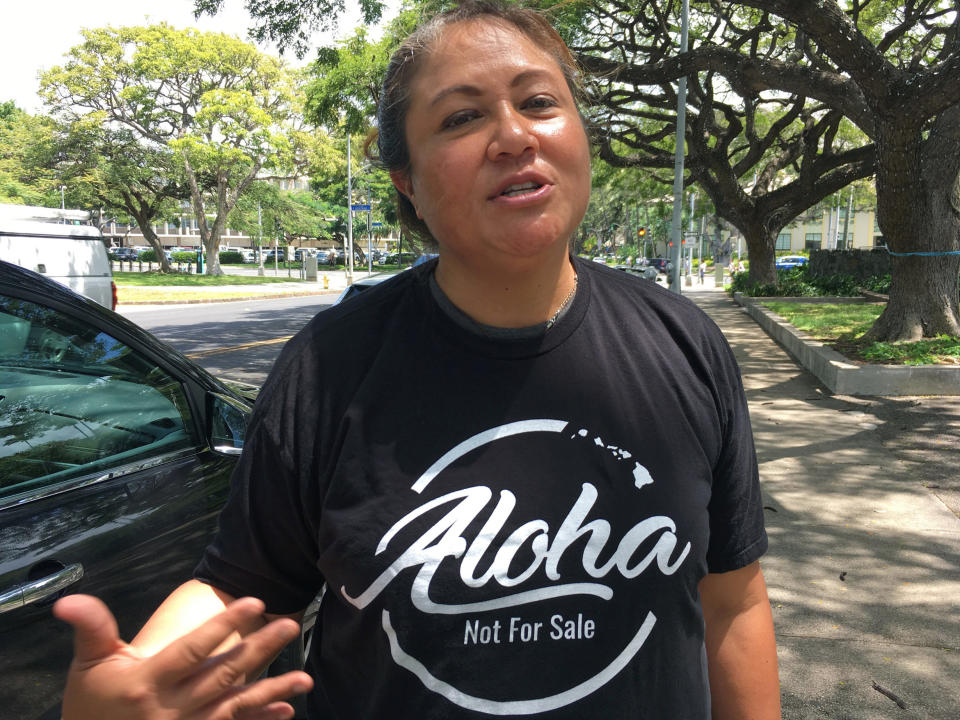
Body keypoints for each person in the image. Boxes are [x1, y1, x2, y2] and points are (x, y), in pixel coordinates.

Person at [53, 2, 780, 719]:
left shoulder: (684, 341)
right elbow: (241, 586)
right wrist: (141, 685)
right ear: (407, 182)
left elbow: (731, 600)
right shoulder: (330, 365)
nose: (514, 135)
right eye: (462, 117)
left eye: (539, 102)